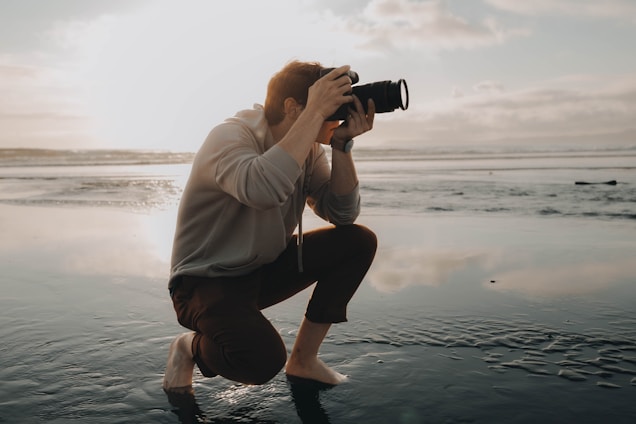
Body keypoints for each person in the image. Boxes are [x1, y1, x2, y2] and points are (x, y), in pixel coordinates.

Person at [162, 61, 378, 394]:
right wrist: (314, 116)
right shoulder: (230, 136)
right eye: (329, 105)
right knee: (261, 361)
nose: (337, 114)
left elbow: (342, 213)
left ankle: (304, 361)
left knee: (357, 242)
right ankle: (188, 347)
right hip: (203, 283)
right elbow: (261, 190)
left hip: (260, 271)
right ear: (293, 108)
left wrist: (342, 146)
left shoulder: (310, 149)